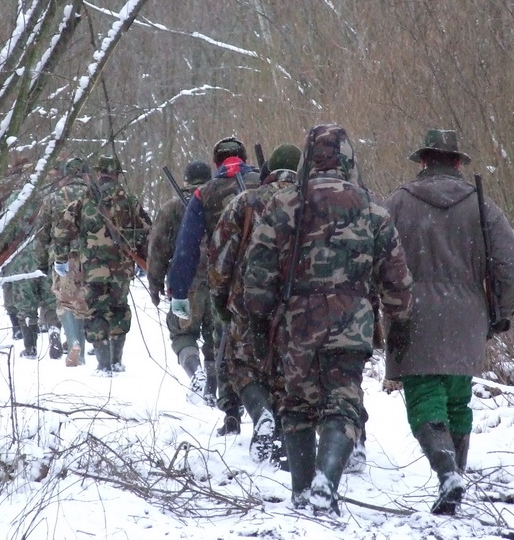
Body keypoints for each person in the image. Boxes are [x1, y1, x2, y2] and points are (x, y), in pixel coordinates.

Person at [244, 124, 413, 515]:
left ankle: (303, 491)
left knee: (296, 404)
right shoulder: (372, 208)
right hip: (352, 324)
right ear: (348, 159)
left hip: (296, 325)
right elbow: (397, 280)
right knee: (343, 403)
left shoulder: (283, 203)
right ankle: (327, 481)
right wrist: (400, 322)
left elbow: (257, 273)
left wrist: (258, 322)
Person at [383, 129, 514, 515]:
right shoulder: (481, 205)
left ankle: (448, 475)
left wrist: (377, 304)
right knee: (458, 399)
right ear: (459, 164)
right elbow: (513, 261)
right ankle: (455, 478)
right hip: (467, 318)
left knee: (424, 396)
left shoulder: (398, 202)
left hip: (412, 315)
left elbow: (373, 254)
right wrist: (503, 311)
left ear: (423, 161)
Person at [208, 143, 301, 465]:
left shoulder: (245, 201)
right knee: (288, 371)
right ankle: (287, 436)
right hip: (298, 304)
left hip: (248, 300)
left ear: (268, 170)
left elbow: (220, 256)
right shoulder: (312, 202)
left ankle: (261, 415)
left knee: (243, 366)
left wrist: (220, 300)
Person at [168, 136, 260, 435]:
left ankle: (231, 413)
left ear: (216, 163)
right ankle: (267, 411)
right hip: (268, 283)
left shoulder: (204, 194)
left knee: (225, 347)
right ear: (245, 158)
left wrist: (178, 290)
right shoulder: (265, 183)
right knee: (266, 349)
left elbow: (186, 248)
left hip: (225, 285)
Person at [52, 155, 151, 375]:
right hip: (121, 269)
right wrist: (142, 257)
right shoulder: (130, 200)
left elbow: (61, 231)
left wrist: (61, 258)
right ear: (117, 174)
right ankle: (116, 361)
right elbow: (147, 231)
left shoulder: (85, 198)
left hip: (92, 269)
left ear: (98, 173)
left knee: (96, 311)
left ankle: (103, 364)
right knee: (119, 309)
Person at [147, 160, 216, 403]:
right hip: (218, 282)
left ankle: (195, 374)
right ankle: (212, 386)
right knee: (216, 337)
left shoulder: (172, 208)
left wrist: (155, 283)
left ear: (186, 181)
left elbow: (157, 250)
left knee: (182, 333)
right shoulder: (220, 204)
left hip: (185, 286)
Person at [0, 157, 62, 360]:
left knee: (26, 305)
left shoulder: (15, 200)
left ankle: (30, 348)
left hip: (21, 261)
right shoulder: (52, 197)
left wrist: (0, 253)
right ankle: (54, 332)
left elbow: (4, 232)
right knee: (51, 301)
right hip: (46, 257)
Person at [36, 156, 92, 367]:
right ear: (84, 174)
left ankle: (74, 342)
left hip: (62, 257)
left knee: (66, 302)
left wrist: (42, 262)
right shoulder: (94, 196)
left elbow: (42, 234)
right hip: (89, 256)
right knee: (83, 301)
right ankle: (82, 351)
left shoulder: (53, 198)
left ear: (65, 175)